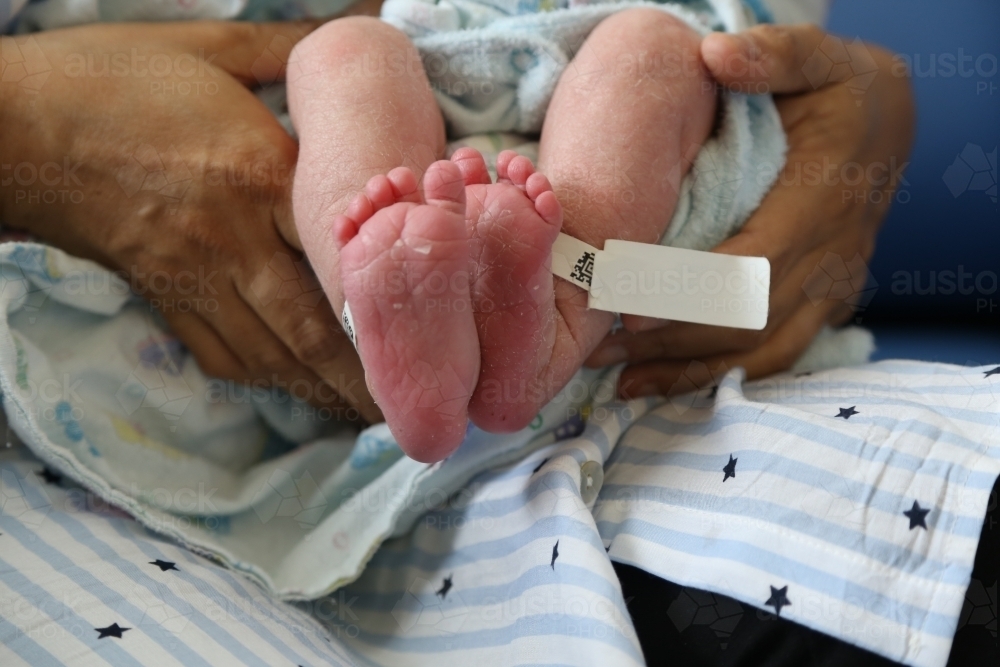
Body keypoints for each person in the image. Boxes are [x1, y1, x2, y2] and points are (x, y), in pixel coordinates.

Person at [0, 4, 914, 441]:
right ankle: (387, 296)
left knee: (649, 54)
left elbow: (760, 43)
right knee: (343, 55)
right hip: (433, 75)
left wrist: (880, 95)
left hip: (608, 116)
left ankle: (544, 325)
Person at [288, 7, 716, 461]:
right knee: (340, 47)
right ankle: (392, 288)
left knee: (651, 43)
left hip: (597, 74)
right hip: (417, 65)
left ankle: (537, 341)